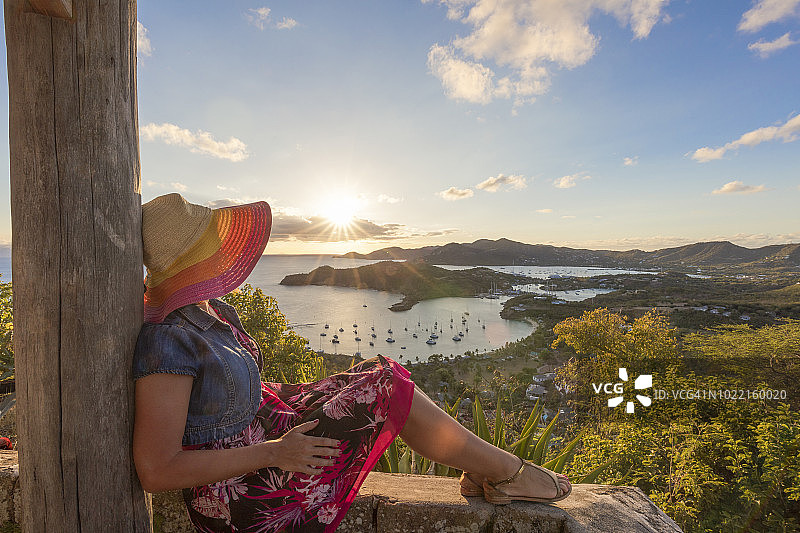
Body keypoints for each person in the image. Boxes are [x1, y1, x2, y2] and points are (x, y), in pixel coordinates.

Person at [133, 193, 571, 532]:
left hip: (266, 435)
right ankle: (506, 472)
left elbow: (225, 396)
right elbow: (157, 468)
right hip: (241, 490)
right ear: (194, 258)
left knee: (379, 372)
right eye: (212, 244)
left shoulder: (211, 309)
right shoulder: (169, 339)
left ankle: (489, 469)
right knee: (385, 388)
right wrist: (276, 452)